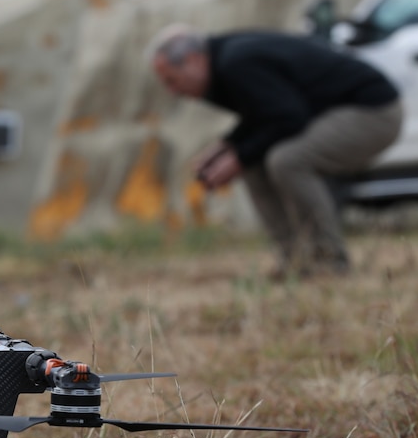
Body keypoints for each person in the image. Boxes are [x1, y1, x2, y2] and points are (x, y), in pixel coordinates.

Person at [149, 24, 403, 277]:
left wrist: (236, 158)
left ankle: (329, 261)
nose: (173, 91)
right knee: (255, 164)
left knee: (288, 160)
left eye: (172, 80)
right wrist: (227, 148)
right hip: (332, 113)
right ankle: (295, 262)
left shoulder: (235, 62)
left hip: (374, 111)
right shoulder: (225, 60)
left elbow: (289, 117)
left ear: (193, 60)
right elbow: (265, 113)